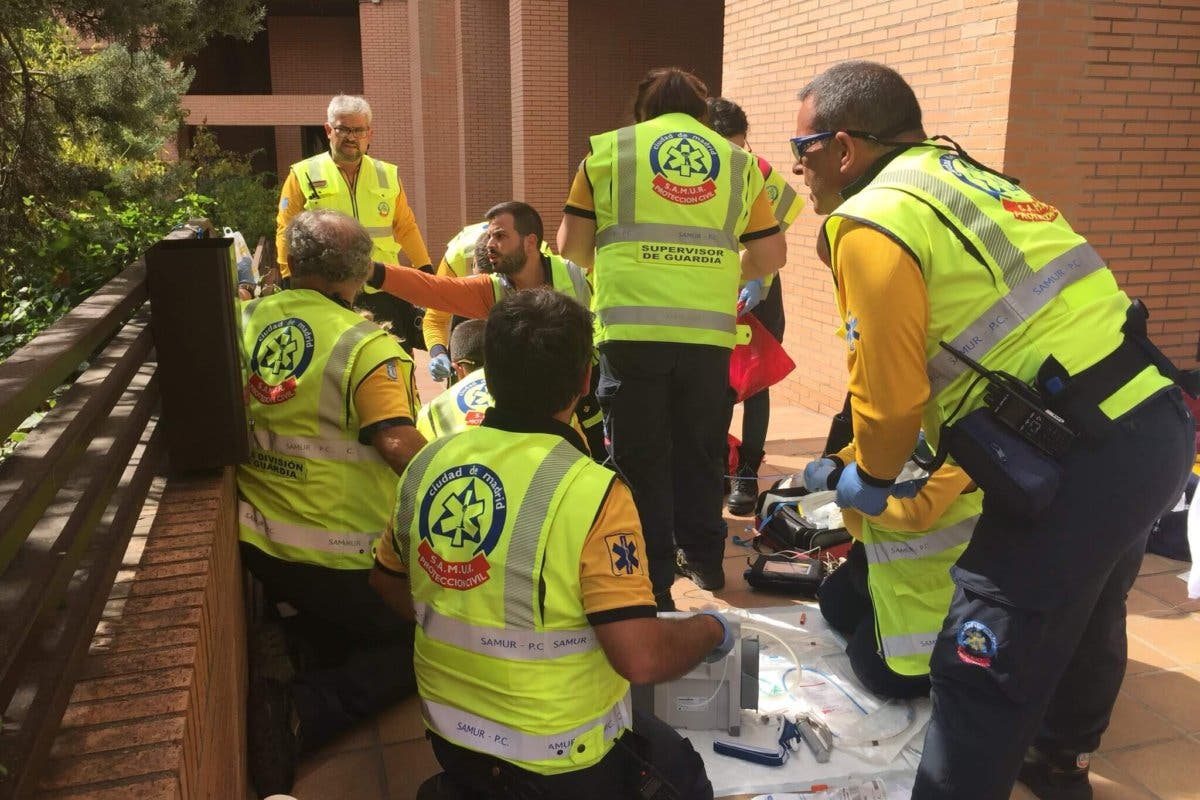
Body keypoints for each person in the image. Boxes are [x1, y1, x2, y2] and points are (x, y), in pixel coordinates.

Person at [793, 61, 1195, 799]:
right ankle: (1061, 764)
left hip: (1075, 459)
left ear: (842, 148)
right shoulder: (973, 178)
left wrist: (866, 478)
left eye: (803, 149)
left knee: (977, 671)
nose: (798, 170)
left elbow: (887, 401)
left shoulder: (870, 219)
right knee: (1091, 611)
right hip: (1155, 424)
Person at [369, 288, 728, 800]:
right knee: (681, 772)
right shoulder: (592, 492)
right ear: (586, 381)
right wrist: (711, 630)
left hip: (450, 737)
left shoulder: (428, 463)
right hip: (561, 759)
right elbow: (642, 658)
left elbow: (384, 583)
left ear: (487, 375)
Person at [557, 67, 787, 608]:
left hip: (630, 333)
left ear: (642, 111)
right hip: (707, 338)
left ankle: (652, 575)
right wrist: (722, 273)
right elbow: (772, 255)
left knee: (639, 458)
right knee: (702, 452)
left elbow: (570, 246)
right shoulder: (738, 163)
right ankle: (706, 563)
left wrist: (618, 265)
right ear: (703, 112)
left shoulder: (608, 154)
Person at [238, 209, 427, 798]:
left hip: (261, 544)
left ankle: (304, 645)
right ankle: (303, 713)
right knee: (425, 637)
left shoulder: (248, 320)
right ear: (361, 273)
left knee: (357, 625)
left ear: (291, 263)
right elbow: (399, 446)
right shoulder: (366, 347)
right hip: (344, 557)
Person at [370, 201, 606, 459]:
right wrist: (372, 272)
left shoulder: (579, 274)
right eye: (490, 236)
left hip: (587, 392)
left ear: (530, 241)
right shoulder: (491, 288)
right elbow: (432, 289)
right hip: (531, 403)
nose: (489, 245)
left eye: (500, 236)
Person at [812, 448, 981, 699]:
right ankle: (880, 614)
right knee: (834, 602)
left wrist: (843, 485)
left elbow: (915, 512)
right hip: (892, 561)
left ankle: (944, 667)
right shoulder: (917, 415)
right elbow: (870, 441)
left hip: (941, 581)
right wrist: (838, 461)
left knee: (875, 670)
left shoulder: (967, 438)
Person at [705, 96, 804, 516]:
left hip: (759, 292)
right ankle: (717, 469)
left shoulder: (759, 169)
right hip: (711, 287)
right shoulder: (690, 178)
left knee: (757, 383)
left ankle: (747, 473)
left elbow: (780, 220)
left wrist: (760, 277)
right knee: (717, 385)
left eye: (740, 146)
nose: (737, 156)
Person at [275, 94, 433, 350]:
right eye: (343, 129)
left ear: (370, 133)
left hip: (384, 287)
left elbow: (405, 226)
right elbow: (286, 229)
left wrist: (425, 270)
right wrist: (286, 276)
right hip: (329, 290)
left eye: (358, 130)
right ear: (328, 130)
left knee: (393, 361)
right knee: (336, 364)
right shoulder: (302, 174)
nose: (351, 137)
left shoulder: (388, 175)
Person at [423, 219, 553, 381]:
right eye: (482, 290)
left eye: (499, 290)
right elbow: (435, 320)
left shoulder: (536, 264)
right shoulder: (455, 260)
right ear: (473, 266)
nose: (488, 298)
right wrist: (438, 353)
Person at [416, 319, 490, 438]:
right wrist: (439, 352)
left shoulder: (430, 414)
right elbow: (434, 321)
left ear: (457, 369)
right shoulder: (526, 396)